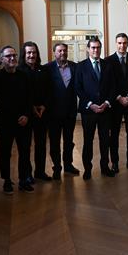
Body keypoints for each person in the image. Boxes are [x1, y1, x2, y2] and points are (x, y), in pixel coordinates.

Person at [0, 46, 34, 194]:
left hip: (23, 121)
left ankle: (23, 179)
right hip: (5, 123)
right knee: (5, 153)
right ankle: (7, 180)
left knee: (24, 152)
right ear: (2, 59)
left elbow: (30, 99)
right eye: (8, 56)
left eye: (14, 56)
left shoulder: (24, 76)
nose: (12, 58)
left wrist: (26, 115)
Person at [75, 37, 116, 180]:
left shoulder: (108, 65)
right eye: (93, 47)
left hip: (105, 110)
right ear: (88, 49)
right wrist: (90, 104)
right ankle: (87, 169)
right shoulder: (80, 66)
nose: (96, 50)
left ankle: (105, 167)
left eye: (98, 47)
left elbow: (113, 87)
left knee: (105, 141)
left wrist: (106, 102)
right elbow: (78, 88)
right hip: (89, 112)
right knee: (88, 141)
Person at [106, 33, 128, 173]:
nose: (122, 45)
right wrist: (119, 97)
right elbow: (108, 82)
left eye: (125, 43)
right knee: (114, 134)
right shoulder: (108, 60)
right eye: (120, 43)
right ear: (116, 43)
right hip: (115, 103)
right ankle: (114, 163)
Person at [44, 43, 80, 180]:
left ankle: (68, 165)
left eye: (65, 50)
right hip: (53, 113)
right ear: (54, 52)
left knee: (69, 141)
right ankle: (57, 167)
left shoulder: (75, 66)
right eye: (59, 51)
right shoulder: (48, 68)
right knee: (54, 142)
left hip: (70, 112)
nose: (62, 53)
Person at [17, 41, 52, 182]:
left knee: (41, 144)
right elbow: (20, 94)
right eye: (29, 53)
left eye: (34, 52)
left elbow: (50, 90)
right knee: (25, 147)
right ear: (24, 54)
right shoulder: (19, 71)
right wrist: (31, 107)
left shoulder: (44, 70)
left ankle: (40, 171)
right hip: (26, 113)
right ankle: (27, 174)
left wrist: (44, 105)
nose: (32, 55)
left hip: (42, 112)